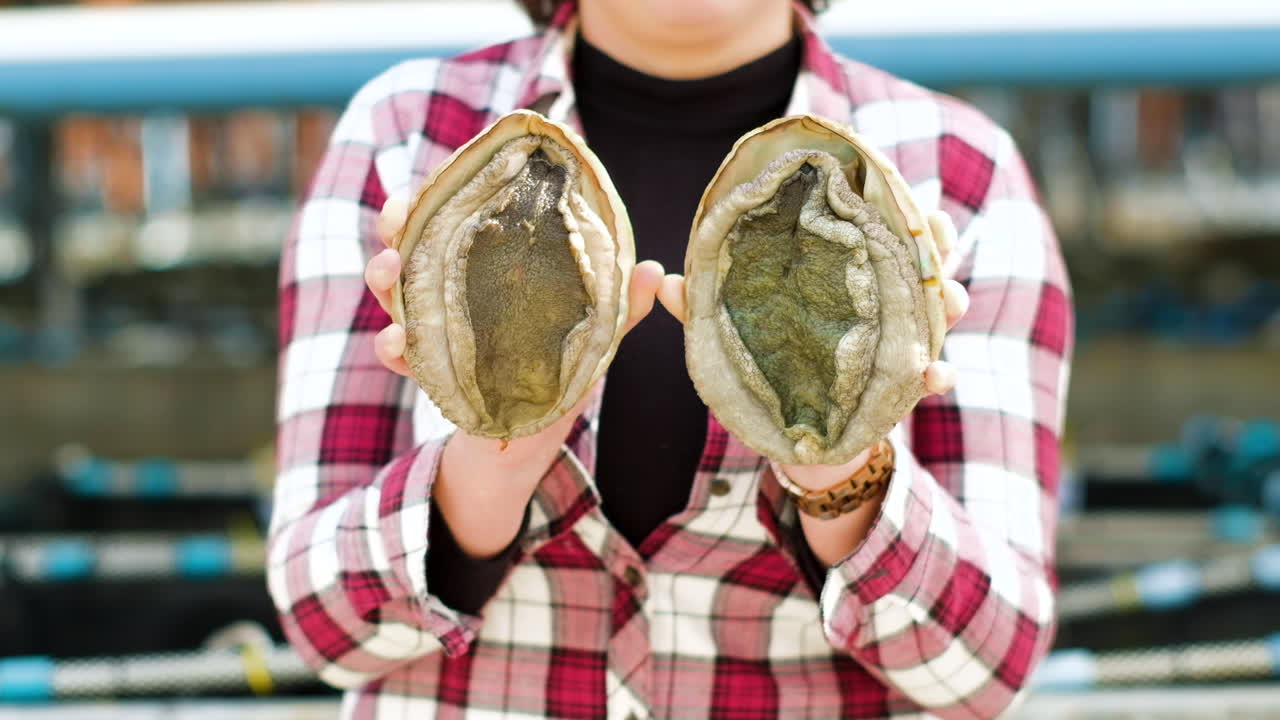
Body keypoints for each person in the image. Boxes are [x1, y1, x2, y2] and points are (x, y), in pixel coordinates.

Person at [268, 0, 1073, 717]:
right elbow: (323, 629)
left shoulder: (961, 170)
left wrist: (842, 465)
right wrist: (492, 466)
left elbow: (989, 671)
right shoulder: (405, 131)